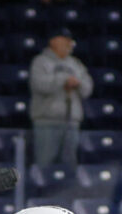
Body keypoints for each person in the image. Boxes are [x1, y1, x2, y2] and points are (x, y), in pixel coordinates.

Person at [28, 33, 94, 166]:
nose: (69, 44)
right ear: (53, 41)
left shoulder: (75, 63)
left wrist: (77, 83)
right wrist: (63, 80)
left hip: (71, 122)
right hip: (47, 121)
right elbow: (39, 85)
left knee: (69, 164)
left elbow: (88, 88)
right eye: (65, 41)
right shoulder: (41, 61)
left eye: (70, 41)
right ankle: (42, 187)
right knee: (45, 162)